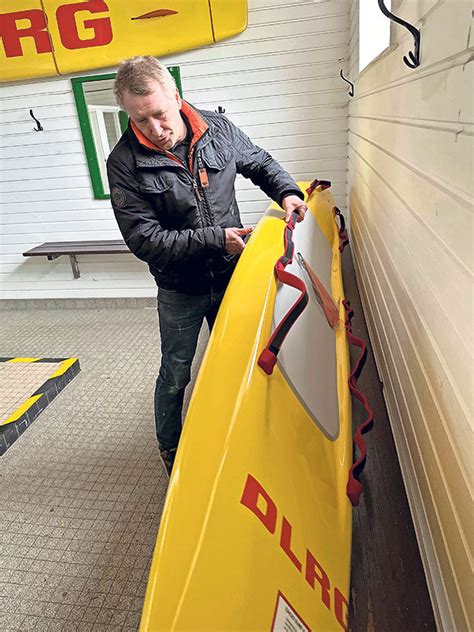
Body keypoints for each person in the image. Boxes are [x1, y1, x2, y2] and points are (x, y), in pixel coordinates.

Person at [107, 56, 308, 477]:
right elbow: (145, 240)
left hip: (234, 276)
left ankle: (241, 432)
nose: (154, 129)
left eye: (160, 115)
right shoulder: (123, 163)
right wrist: (217, 239)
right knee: (176, 373)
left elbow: (260, 162)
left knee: (236, 356)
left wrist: (287, 191)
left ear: (175, 97)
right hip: (181, 287)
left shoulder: (217, 128)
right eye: (139, 120)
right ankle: (171, 450)